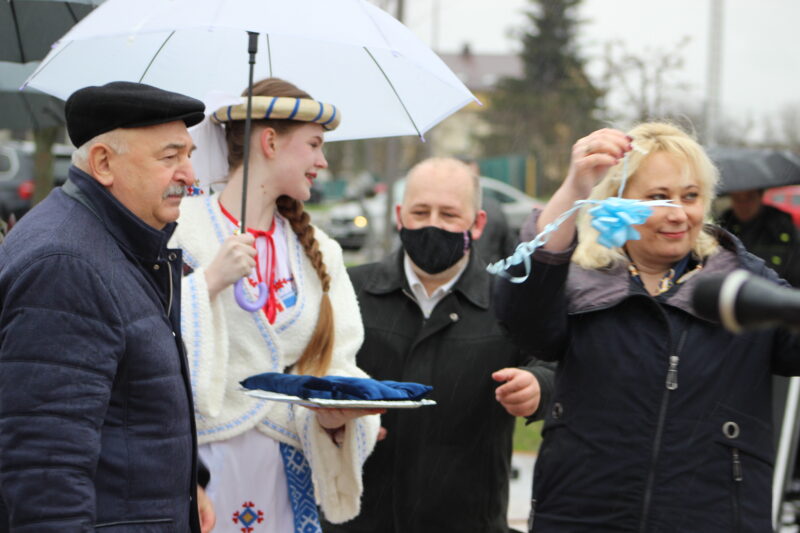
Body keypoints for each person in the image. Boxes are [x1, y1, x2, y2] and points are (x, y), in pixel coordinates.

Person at [494, 123, 800, 532]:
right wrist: (573, 190)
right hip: (582, 517)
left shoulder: (741, 283)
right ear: (616, 203)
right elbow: (521, 317)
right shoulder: (580, 280)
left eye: (691, 196)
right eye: (658, 197)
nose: (679, 213)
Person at [170, 78, 381, 532]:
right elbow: (143, 340)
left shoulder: (322, 251)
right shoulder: (181, 233)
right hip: (198, 469)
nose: (322, 161)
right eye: (314, 145)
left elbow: (341, 362)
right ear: (269, 141)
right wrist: (207, 283)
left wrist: (339, 420)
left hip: (288, 470)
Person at [0, 82, 213, 531]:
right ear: (103, 163)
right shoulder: (67, 264)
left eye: (189, 155)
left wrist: (186, 484)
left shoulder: (114, 243)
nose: (190, 175)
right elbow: (44, 470)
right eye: (170, 157)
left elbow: (129, 411)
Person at [322, 157, 555, 533]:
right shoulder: (349, 291)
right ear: (400, 216)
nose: (433, 224)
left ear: (477, 223)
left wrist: (539, 385)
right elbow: (309, 371)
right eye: (420, 211)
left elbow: (557, 363)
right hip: (358, 517)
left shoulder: (508, 301)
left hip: (467, 515)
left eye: (449, 214)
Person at [718, 188, 800, 286]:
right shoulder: (723, 227)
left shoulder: (781, 227)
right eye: (737, 199)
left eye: (750, 198)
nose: (743, 204)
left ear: (760, 196)